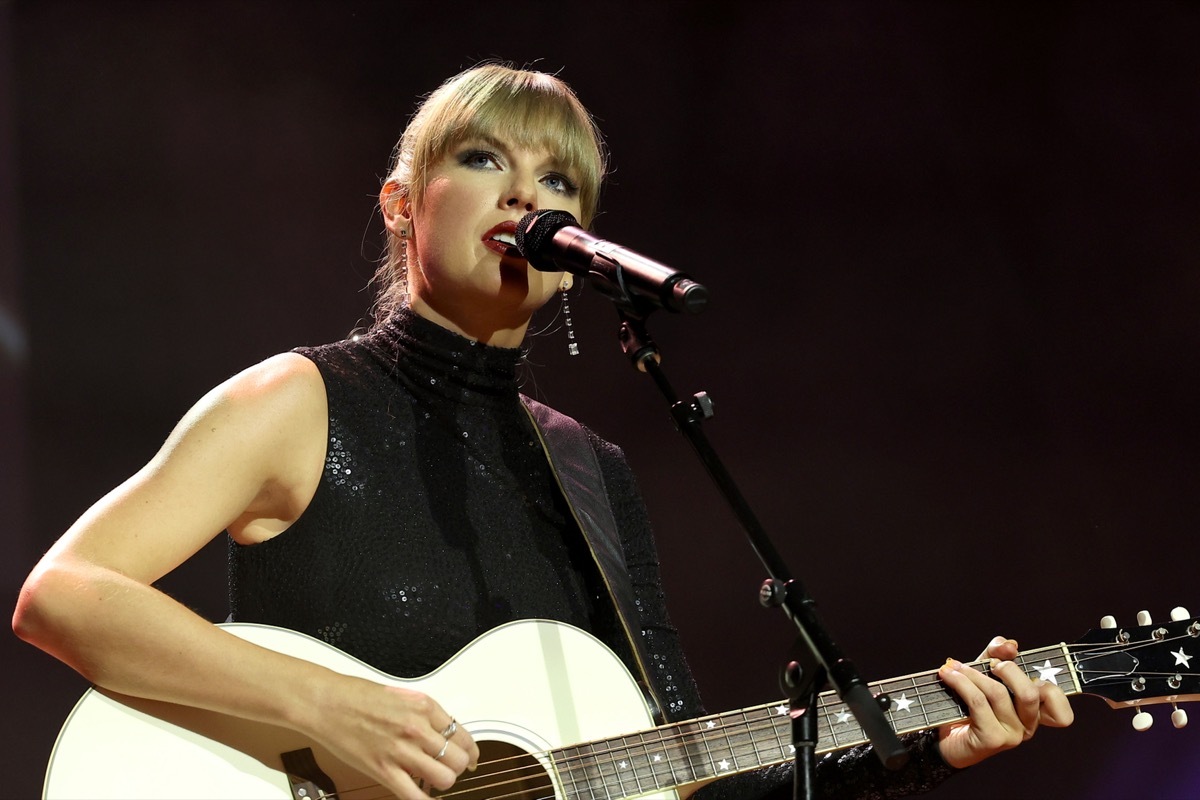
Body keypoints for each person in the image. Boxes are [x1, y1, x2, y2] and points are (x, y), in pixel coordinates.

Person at [13, 64, 1072, 800]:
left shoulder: (589, 471)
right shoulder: (299, 401)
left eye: (559, 181)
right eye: (485, 160)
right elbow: (63, 593)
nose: (527, 194)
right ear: (401, 204)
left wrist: (920, 748)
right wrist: (330, 708)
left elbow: (679, 778)